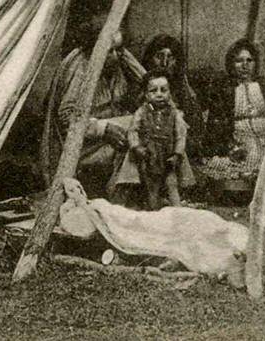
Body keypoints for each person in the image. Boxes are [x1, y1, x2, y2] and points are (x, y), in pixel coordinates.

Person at [51, 17, 145, 195]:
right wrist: (103, 128)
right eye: (110, 51)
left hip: (107, 141)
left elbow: (147, 81)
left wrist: (121, 51)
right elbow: (66, 117)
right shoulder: (80, 66)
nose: (116, 56)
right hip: (82, 146)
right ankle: (119, 196)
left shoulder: (115, 65)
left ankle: (129, 194)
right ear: (94, 50)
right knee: (138, 131)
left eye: (119, 50)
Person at [201, 39, 265, 180]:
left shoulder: (264, 85)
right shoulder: (225, 88)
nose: (245, 65)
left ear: (255, 63)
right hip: (239, 139)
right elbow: (217, 123)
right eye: (239, 61)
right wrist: (230, 146)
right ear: (232, 64)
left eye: (249, 60)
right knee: (249, 158)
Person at [112, 71, 195, 209]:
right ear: (146, 95)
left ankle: (178, 212)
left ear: (170, 93)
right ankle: (154, 212)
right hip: (150, 154)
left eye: (164, 90)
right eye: (153, 91)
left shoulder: (174, 113)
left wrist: (177, 153)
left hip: (168, 154)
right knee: (152, 186)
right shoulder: (142, 112)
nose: (159, 94)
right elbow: (133, 130)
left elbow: (181, 133)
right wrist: (136, 147)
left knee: (171, 184)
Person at [142, 34, 202, 156]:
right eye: (159, 56)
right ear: (150, 58)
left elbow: (195, 127)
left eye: (170, 57)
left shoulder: (182, 87)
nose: (165, 63)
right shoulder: (141, 86)